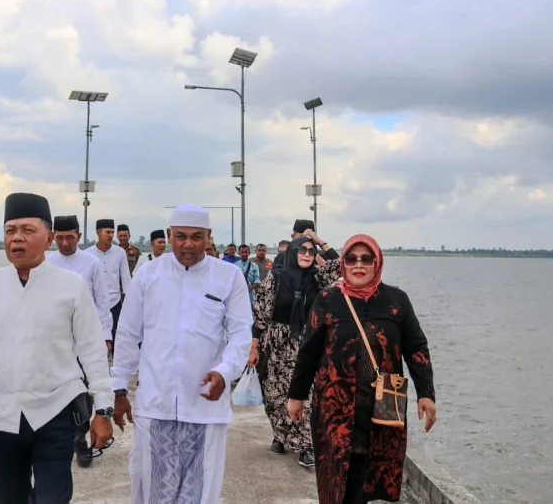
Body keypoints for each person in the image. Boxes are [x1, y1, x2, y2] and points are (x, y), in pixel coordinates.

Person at [0, 193, 114, 504]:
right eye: (10, 230)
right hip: (2, 416)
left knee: (53, 498)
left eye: (27, 230)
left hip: (56, 411)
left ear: (49, 238)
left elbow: (93, 352)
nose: (17, 238)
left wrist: (103, 409)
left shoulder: (71, 286)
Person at [111, 204, 253, 503]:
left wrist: (226, 372)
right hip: (155, 401)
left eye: (197, 237)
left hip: (204, 401)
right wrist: (119, 388)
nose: (188, 244)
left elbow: (241, 334)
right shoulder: (148, 275)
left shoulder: (228, 277)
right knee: (152, 486)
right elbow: (127, 334)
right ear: (169, 235)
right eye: (181, 236)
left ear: (209, 237)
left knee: (200, 490)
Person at [287, 234, 437, 504]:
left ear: (377, 262)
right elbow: (308, 353)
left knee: (369, 478)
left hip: (381, 409)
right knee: (336, 481)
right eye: (351, 258)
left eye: (366, 258)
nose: (359, 264)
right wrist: (296, 397)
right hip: (335, 409)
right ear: (342, 263)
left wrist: (426, 393)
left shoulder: (396, 301)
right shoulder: (328, 300)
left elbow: (416, 348)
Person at [248, 236, 340, 468]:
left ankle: (305, 445)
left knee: (306, 396)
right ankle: (281, 435)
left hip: (308, 343)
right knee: (275, 396)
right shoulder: (276, 278)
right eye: (303, 250)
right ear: (293, 251)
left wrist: (321, 241)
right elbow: (261, 314)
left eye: (312, 251)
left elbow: (339, 264)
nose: (308, 254)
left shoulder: (318, 278)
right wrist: (254, 346)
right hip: (278, 344)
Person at [47, 214, 113, 468]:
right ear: (53, 237)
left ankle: (80, 441)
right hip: (54, 341)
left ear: (79, 236)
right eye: (60, 238)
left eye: (70, 237)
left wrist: (106, 337)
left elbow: (103, 303)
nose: (64, 243)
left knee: (84, 393)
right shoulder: (46, 262)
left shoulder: (91, 263)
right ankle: (59, 440)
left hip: (85, 338)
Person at [86, 219, 131, 349]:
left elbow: (126, 279)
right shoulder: (88, 254)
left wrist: (129, 303)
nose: (111, 235)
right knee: (95, 339)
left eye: (112, 232)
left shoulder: (120, 253)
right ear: (98, 232)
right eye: (108, 232)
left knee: (117, 339)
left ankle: (116, 367)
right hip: (94, 304)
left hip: (115, 303)